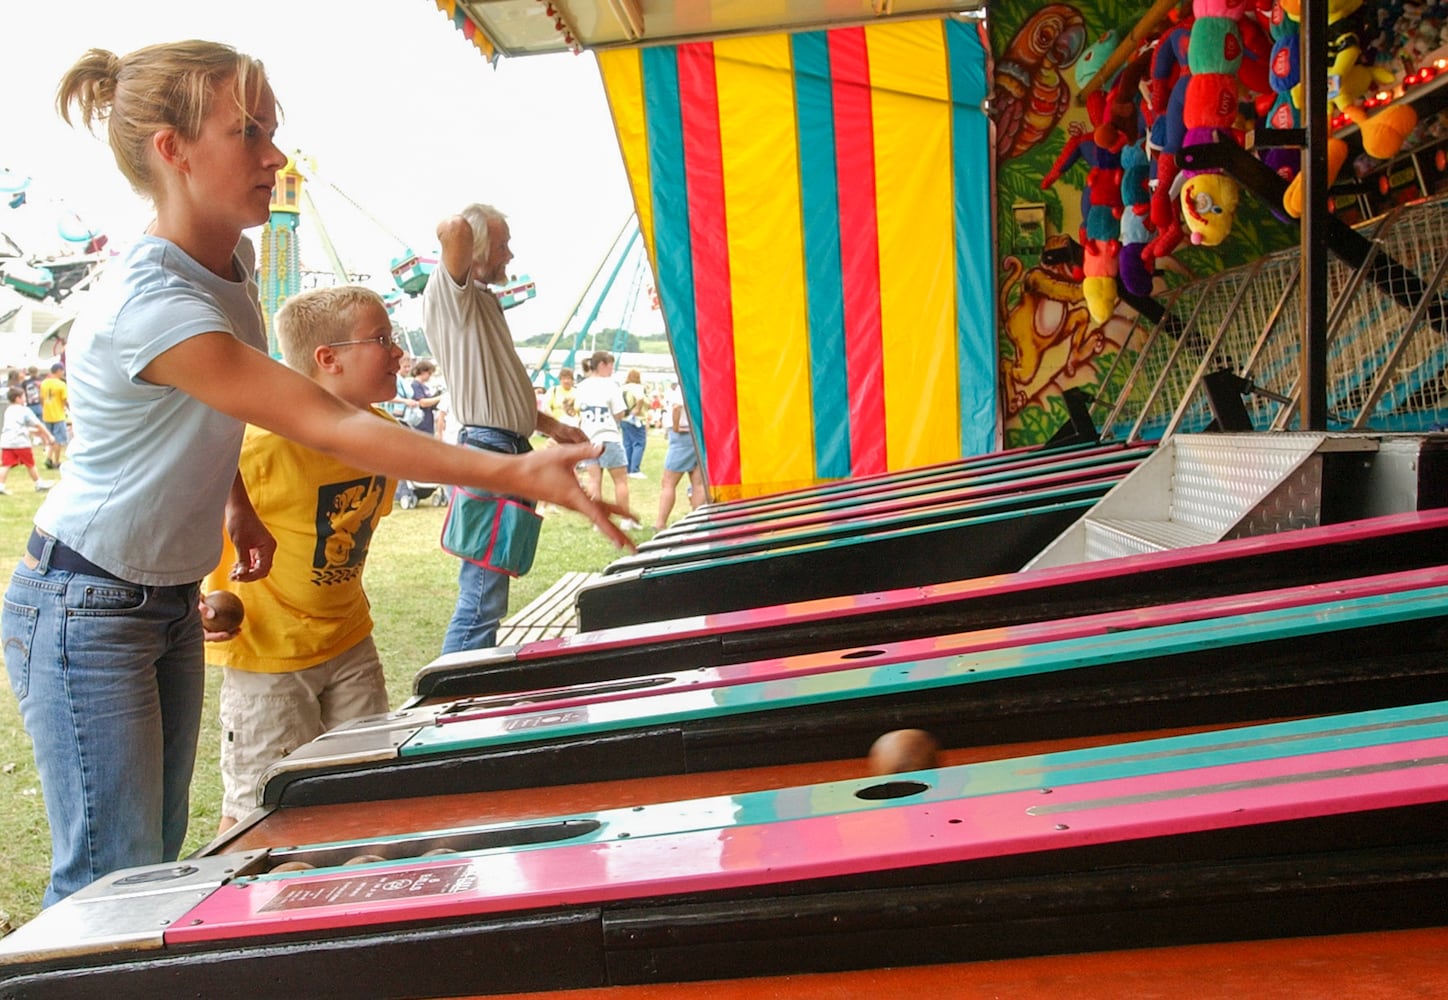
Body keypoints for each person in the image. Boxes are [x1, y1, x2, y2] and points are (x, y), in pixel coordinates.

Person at [5, 41, 629, 908]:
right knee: (108, 875)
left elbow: (203, 409)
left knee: (150, 851)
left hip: (160, 595)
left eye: (272, 131)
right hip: (86, 602)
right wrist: (514, 468)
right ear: (172, 150)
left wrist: (237, 507)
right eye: (248, 132)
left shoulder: (230, 270)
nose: (274, 157)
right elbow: (324, 418)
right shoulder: (153, 302)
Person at [203, 285, 399, 834]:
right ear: (328, 358)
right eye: (381, 339)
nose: (398, 351)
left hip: (350, 641)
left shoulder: (388, 439)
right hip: (269, 657)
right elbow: (178, 507)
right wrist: (196, 600)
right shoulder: (260, 448)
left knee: (364, 790)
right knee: (261, 814)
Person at [424, 203, 624, 654]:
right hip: (491, 448)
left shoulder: (481, 303)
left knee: (491, 585)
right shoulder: (452, 296)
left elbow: (498, 390)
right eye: (501, 245)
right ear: (474, 249)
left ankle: (468, 686)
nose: (509, 256)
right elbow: (453, 226)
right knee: (482, 595)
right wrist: (470, 239)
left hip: (507, 444)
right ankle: (457, 691)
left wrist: (551, 426)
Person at [574, 350, 638, 525]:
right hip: (608, 436)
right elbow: (619, 412)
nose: (612, 370)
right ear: (602, 365)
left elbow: (578, 409)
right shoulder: (611, 385)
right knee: (620, 480)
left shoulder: (581, 386)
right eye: (610, 366)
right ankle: (626, 518)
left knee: (594, 480)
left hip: (589, 438)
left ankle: (598, 520)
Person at [656, 382, 706, 530]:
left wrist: (676, 426)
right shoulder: (699, 383)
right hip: (698, 434)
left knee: (668, 482)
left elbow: (677, 406)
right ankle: (699, 521)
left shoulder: (682, 385)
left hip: (683, 436)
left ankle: (660, 522)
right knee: (698, 483)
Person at [0, 386, 56, 493]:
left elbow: (15, 426)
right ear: (18, 398)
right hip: (20, 442)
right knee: (30, 463)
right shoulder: (24, 410)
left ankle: (0, 486)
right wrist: (49, 436)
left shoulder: (8, 410)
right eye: (23, 396)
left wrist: (30, 430)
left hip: (7, 441)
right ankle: (38, 483)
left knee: (6, 464)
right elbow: (38, 424)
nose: (25, 398)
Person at [38, 362, 68, 469]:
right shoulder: (61, 384)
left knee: (50, 438)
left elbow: (41, 398)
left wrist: (44, 408)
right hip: (58, 415)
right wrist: (68, 410)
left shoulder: (44, 383)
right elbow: (65, 400)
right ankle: (56, 461)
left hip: (47, 414)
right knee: (58, 440)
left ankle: (49, 458)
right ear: (59, 371)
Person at [620, 368, 648, 477]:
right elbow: (640, 398)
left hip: (624, 418)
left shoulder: (622, 388)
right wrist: (637, 409)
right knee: (639, 443)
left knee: (627, 444)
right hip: (636, 419)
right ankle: (635, 469)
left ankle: (627, 468)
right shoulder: (638, 387)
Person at [407, 359, 442, 437]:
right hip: (420, 424)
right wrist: (439, 398)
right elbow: (422, 403)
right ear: (423, 371)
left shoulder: (425, 387)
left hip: (428, 423)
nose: (430, 376)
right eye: (429, 373)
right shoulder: (415, 385)